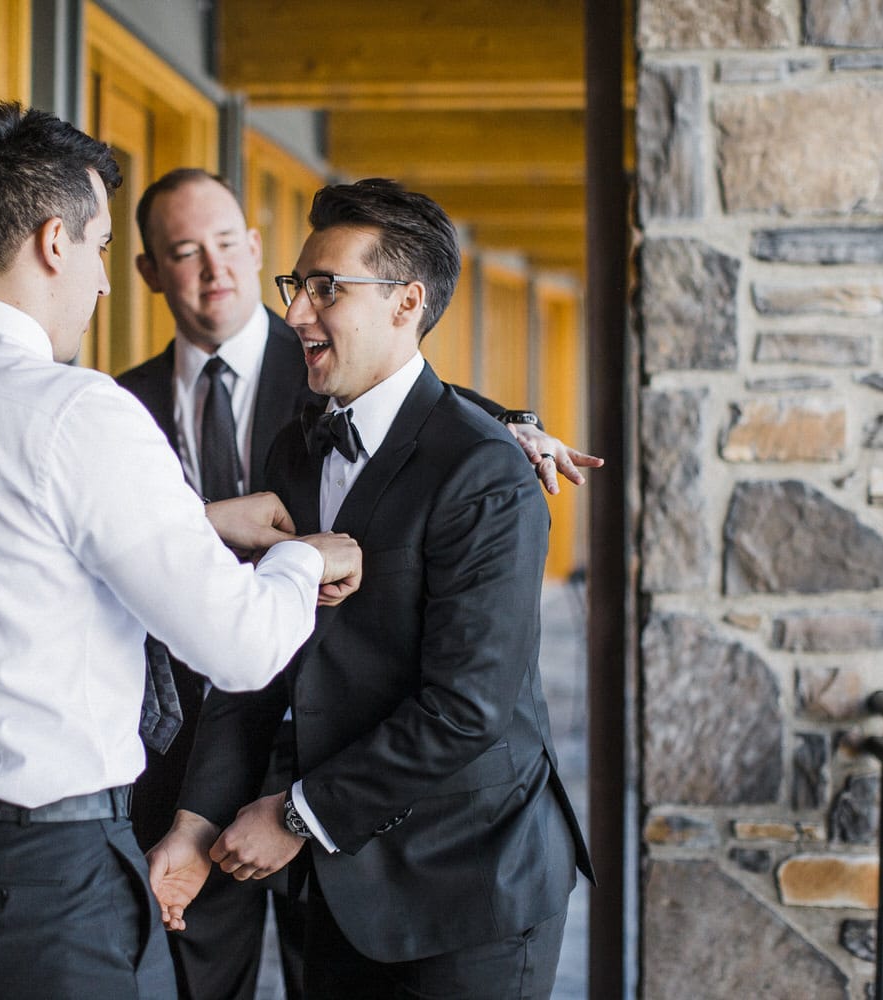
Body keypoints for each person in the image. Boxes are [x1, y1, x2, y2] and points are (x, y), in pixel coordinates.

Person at [0, 102, 362, 1000]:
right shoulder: (77, 410)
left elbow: (8, 556)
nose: (107, 281)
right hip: (34, 882)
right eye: (105, 245)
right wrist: (305, 558)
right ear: (51, 241)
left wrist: (199, 523)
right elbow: (241, 645)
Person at [117, 168, 601, 1000]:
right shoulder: (298, 448)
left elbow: (467, 709)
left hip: (471, 887)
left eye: (325, 289)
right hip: (339, 893)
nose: (297, 311)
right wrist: (195, 825)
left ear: (406, 303)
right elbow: (260, 661)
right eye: (298, 286)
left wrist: (297, 815)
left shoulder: (488, 471)